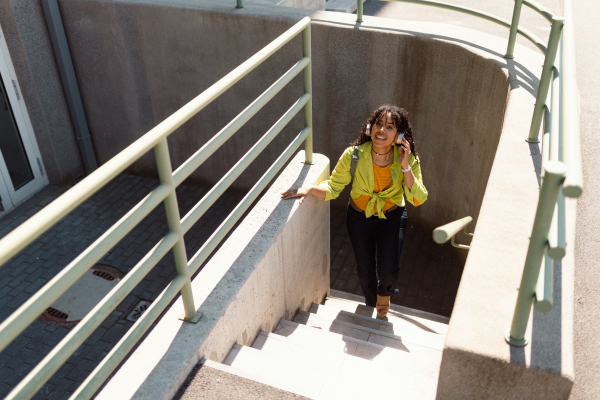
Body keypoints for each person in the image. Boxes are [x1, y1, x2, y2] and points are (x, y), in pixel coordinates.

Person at [281, 105, 428, 318]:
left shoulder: (407, 158)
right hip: (359, 218)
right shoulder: (354, 155)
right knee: (364, 271)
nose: (382, 130)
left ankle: (384, 293)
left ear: (399, 135)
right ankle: (371, 302)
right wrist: (311, 188)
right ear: (369, 127)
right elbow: (333, 187)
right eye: (378, 124)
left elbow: (418, 197)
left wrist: (405, 165)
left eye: (389, 127)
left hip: (392, 217)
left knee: (388, 271)